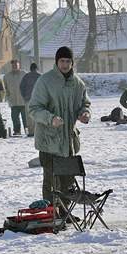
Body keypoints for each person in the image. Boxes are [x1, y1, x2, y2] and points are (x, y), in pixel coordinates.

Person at [28, 46, 91, 218]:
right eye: (62, 61)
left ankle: (64, 212)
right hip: (49, 141)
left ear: (72, 63)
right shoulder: (45, 81)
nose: (65, 64)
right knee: (51, 181)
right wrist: (50, 119)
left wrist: (84, 113)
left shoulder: (78, 83)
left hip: (68, 141)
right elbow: (34, 109)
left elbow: (84, 103)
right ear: (57, 62)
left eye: (68, 61)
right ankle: (51, 214)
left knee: (67, 180)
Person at [4, 60, 27, 136]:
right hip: (13, 101)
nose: (15, 67)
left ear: (19, 65)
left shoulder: (24, 74)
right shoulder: (7, 76)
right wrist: (8, 97)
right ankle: (17, 131)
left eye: (16, 65)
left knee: (25, 118)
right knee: (15, 118)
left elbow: (28, 86)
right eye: (13, 65)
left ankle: (27, 130)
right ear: (11, 66)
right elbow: (5, 88)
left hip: (23, 101)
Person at [20, 62, 42, 137]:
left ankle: (31, 131)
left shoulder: (26, 76)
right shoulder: (40, 76)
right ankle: (38, 131)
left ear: (30, 69)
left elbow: (21, 87)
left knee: (29, 116)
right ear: (37, 68)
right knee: (38, 115)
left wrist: (24, 96)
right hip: (39, 100)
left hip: (28, 99)